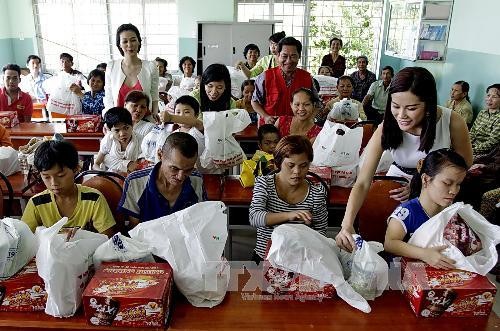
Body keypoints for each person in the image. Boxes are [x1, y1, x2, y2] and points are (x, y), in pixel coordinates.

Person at [336, 67, 473, 252]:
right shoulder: (387, 127)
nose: (401, 115)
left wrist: (421, 185)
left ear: (428, 104)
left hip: (436, 186)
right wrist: (346, 224)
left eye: (412, 108)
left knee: (435, 245)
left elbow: (464, 166)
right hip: (397, 182)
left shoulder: (452, 122)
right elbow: (362, 182)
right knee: (391, 239)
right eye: (395, 106)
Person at [249, 135, 328, 262]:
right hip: (265, 257)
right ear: (279, 163)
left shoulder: (316, 194)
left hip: (300, 261)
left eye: (303, 166)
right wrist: (290, 215)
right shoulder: (264, 184)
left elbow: (321, 235)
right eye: (290, 165)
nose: (297, 171)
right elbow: (254, 217)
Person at [384, 149, 468, 269]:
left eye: (458, 184)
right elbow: (390, 243)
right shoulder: (407, 212)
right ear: (426, 179)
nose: (454, 191)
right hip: (400, 274)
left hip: (439, 271)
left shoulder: (451, 211)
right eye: (447, 183)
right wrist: (425, 254)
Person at [21, 140, 117, 237]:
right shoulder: (36, 203)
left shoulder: (93, 199)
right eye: (46, 177)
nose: (54, 183)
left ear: (76, 169)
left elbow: (107, 238)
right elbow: (24, 241)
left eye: (61, 175)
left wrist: (82, 235)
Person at [118, 132, 207, 227]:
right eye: (174, 168)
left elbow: (199, 222)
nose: (181, 177)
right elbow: (134, 230)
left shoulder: (196, 179)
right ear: (160, 155)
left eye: (188, 170)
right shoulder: (135, 182)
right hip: (146, 240)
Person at [251, 37, 315, 125]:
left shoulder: (307, 77)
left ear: (299, 56)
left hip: (298, 127)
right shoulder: (265, 77)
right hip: (271, 129)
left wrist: (310, 119)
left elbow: (317, 104)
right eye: (284, 56)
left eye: (293, 56)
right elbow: (255, 102)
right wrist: (265, 116)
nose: (288, 61)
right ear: (278, 56)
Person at [104, 23, 159, 119]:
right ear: (119, 45)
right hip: (119, 124)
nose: (130, 45)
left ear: (139, 42)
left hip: (145, 122)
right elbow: (108, 98)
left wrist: (155, 113)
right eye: (125, 41)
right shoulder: (111, 67)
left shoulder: (150, 67)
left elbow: (154, 95)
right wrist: (108, 120)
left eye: (133, 40)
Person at [94, 107, 142, 173]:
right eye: (117, 130)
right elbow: (96, 164)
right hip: (112, 178)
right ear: (110, 130)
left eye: (126, 128)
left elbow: (141, 166)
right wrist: (104, 174)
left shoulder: (141, 141)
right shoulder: (108, 140)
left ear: (132, 124)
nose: (122, 134)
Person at [469, 84, 500, 156]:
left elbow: (492, 142)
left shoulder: (498, 117)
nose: (489, 99)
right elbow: (472, 133)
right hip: (471, 147)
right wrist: (465, 145)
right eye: (488, 95)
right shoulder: (482, 113)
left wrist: (471, 151)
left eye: (494, 97)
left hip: (486, 153)